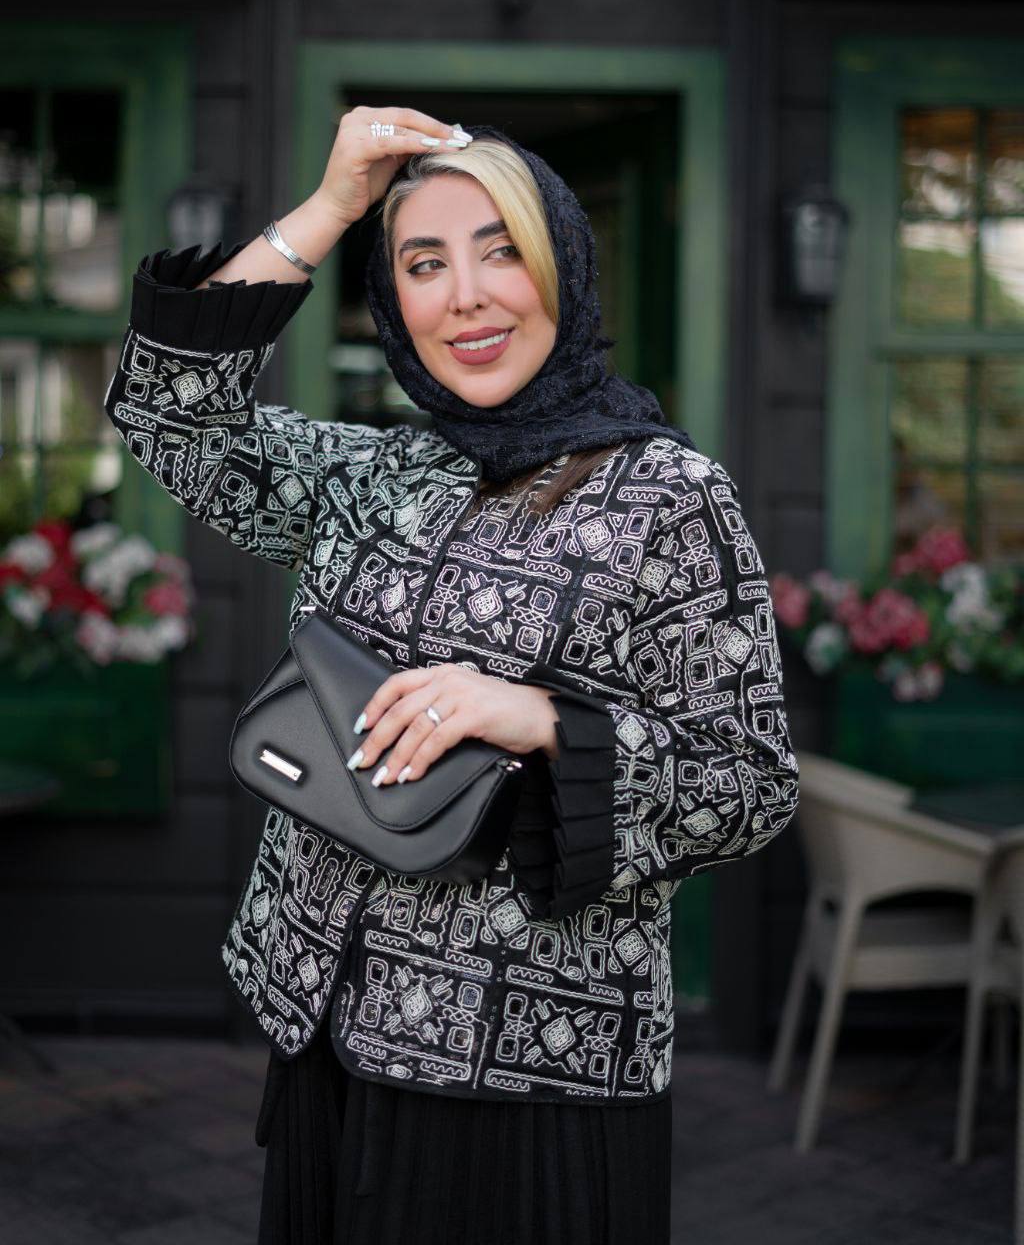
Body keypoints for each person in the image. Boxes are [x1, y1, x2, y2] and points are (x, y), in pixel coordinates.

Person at [103, 107, 800, 1245]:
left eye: (501, 252)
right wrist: (332, 205)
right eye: (424, 264)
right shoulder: (375, 473)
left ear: (564, 269)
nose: (465, 297)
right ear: (395, 300)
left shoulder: (671, 499)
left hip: (529, 1078)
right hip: (324, 1025)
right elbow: (166, 411)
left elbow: (750, 786)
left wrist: (543, 718)